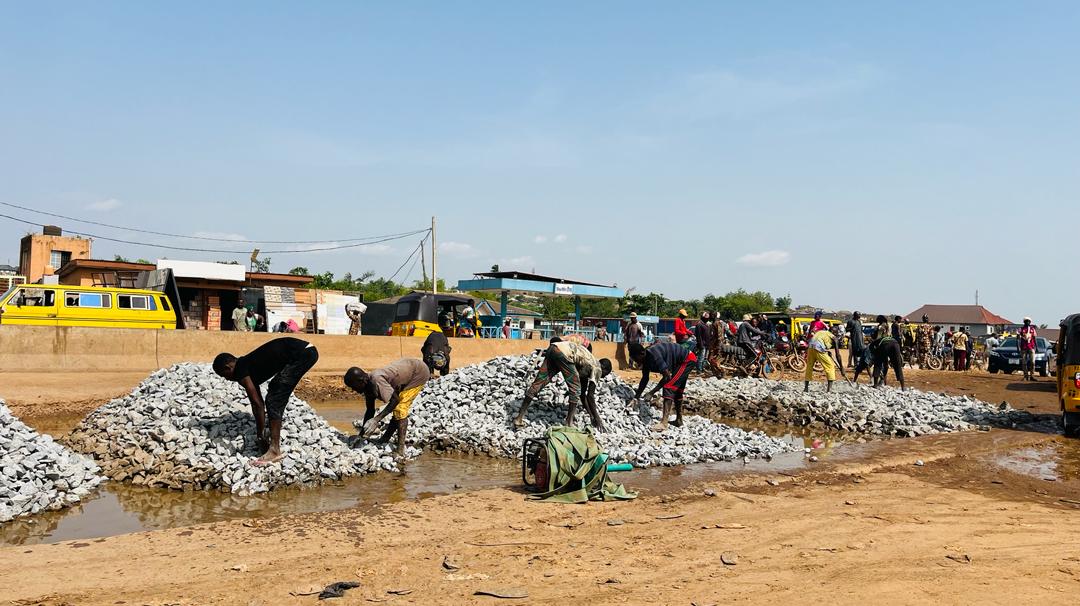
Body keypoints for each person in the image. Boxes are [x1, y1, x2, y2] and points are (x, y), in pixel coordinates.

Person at [213, 337, 319, 464]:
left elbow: (257, 404)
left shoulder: (240, 369)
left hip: (302, 353)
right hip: (306, 350)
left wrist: (260, 436)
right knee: (276, 390)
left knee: (274, 398)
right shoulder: (246, 365)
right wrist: (261, 432)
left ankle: (274, 450)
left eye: (224, 375)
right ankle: (273, 439)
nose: (227, 379)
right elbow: (258, 402)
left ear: (228, 367)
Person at [513, 339, 612, 430]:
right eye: (605, 374)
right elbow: (590, 396)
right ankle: (569, 423)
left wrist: (591, 415)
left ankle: (519, 418)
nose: (603, 377)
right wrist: (598, 419)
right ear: (604, 369)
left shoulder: (587, 366)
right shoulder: (597, 367)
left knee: (539, 383)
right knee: (575, 389)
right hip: (564, 354)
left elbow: (583, 395)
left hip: (553, 348)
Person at [345, 359, 430, 457]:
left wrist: (376, 419)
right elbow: (370, 410)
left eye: (353, 386)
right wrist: (361, 436)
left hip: (418, 373)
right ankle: (385, 439)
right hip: (406, 372)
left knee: (400, 409)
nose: (353, 390)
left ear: (361, 381)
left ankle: (400, 450)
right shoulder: (367, 387)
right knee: (397, 408)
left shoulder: (376, 380)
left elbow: (395, 400)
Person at [630, 341, 696, 431]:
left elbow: (667, 377)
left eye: (636, 359)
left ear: (642, 353)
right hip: (680, 362)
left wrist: (652, 392)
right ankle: (679, 420)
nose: (636, 362)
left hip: (686, 360)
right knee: (678, 391)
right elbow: (645, 379)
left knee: (669, 387)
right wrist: (636, 398)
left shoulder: (654, 355)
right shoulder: (645, 360)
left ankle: (664, 423)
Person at [804, 325, 846, 392]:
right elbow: (838, 355)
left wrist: (826, 351)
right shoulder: (834, 338)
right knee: (830, 366)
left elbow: (820, 340)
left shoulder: (822, 332)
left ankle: (806, 388)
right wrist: (842, 368)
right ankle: (829, 390)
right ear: (834, 333)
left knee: (809, 367)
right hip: (818, 348)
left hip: (810, 347)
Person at [871, 314, 905, 390]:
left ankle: (875, 385)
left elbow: (878, 338)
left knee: (878, 363)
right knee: (897, 365)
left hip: (884, 344)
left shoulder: (879, 327)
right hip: (894, 343)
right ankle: (903, 386)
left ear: (879, 321)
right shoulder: (889, 325)